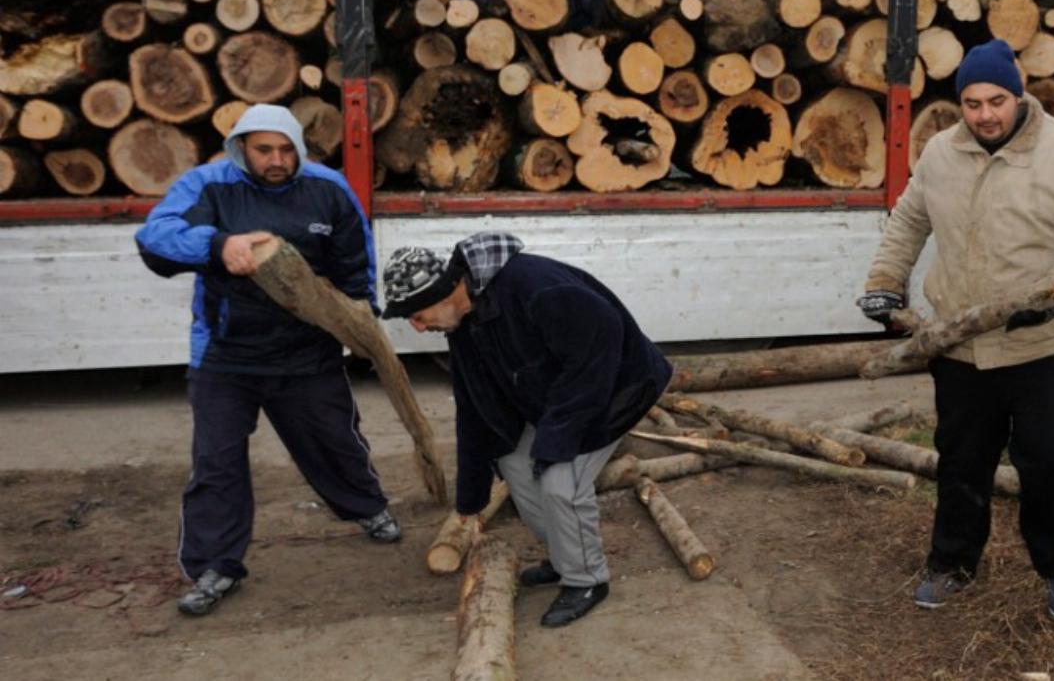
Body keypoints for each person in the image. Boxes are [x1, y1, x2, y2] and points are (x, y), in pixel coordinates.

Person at [856, 38, 1054, 621]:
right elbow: (909, 218)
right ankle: (951, 563)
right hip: (962, 344)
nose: (985, 114)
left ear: (1019, 92)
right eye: (973, 103)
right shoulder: (940, 151)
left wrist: (1048, 296)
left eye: (997, 101)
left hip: (1049, 343)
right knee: (961, 459)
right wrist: (886, 277)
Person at [134, 104, 398, 618]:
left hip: (307, 352)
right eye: (263, 150)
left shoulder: (328, 188)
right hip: (225, 356)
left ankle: (367, 507)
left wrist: (359, 320)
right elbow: (155, 239)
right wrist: (216, 244)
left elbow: (354, 262)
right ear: (240, 148)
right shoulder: (209, 185)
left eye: (286, 149)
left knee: (335, 440)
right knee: (217, 463)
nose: (277, 160)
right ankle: (216, 566)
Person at [381, 233, 672, 628]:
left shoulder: (535, 288)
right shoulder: (462, 327)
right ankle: (564, 555)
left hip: (617, 387)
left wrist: (557, 439)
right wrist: (470, 500)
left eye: (418, 316)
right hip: (554, 396)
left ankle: (587, 580)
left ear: (445, 290)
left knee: (559, 481)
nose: (418, 328)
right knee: (515, 464)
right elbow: (474, 410)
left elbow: (599, 347)